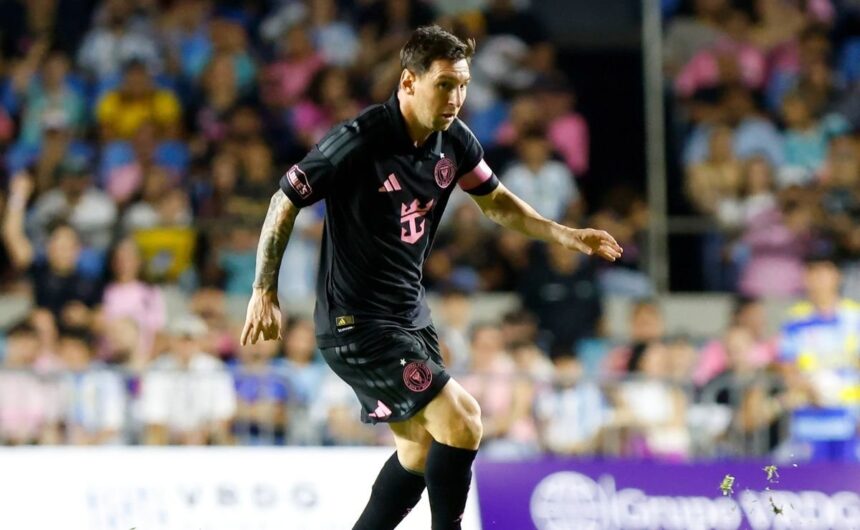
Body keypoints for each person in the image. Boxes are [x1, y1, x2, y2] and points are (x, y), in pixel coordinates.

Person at [240, 26, 622, 530]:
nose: (456, 98)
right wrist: (263, 289)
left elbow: (496, 202)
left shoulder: (455, 142)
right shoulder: (359, 139)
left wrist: (564, 234)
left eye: (463, 85)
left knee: (419, 452)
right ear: (408, 81)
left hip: (410, 318)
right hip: (357, 323)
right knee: (463, 419)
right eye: (444, 84)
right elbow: (284, 199)